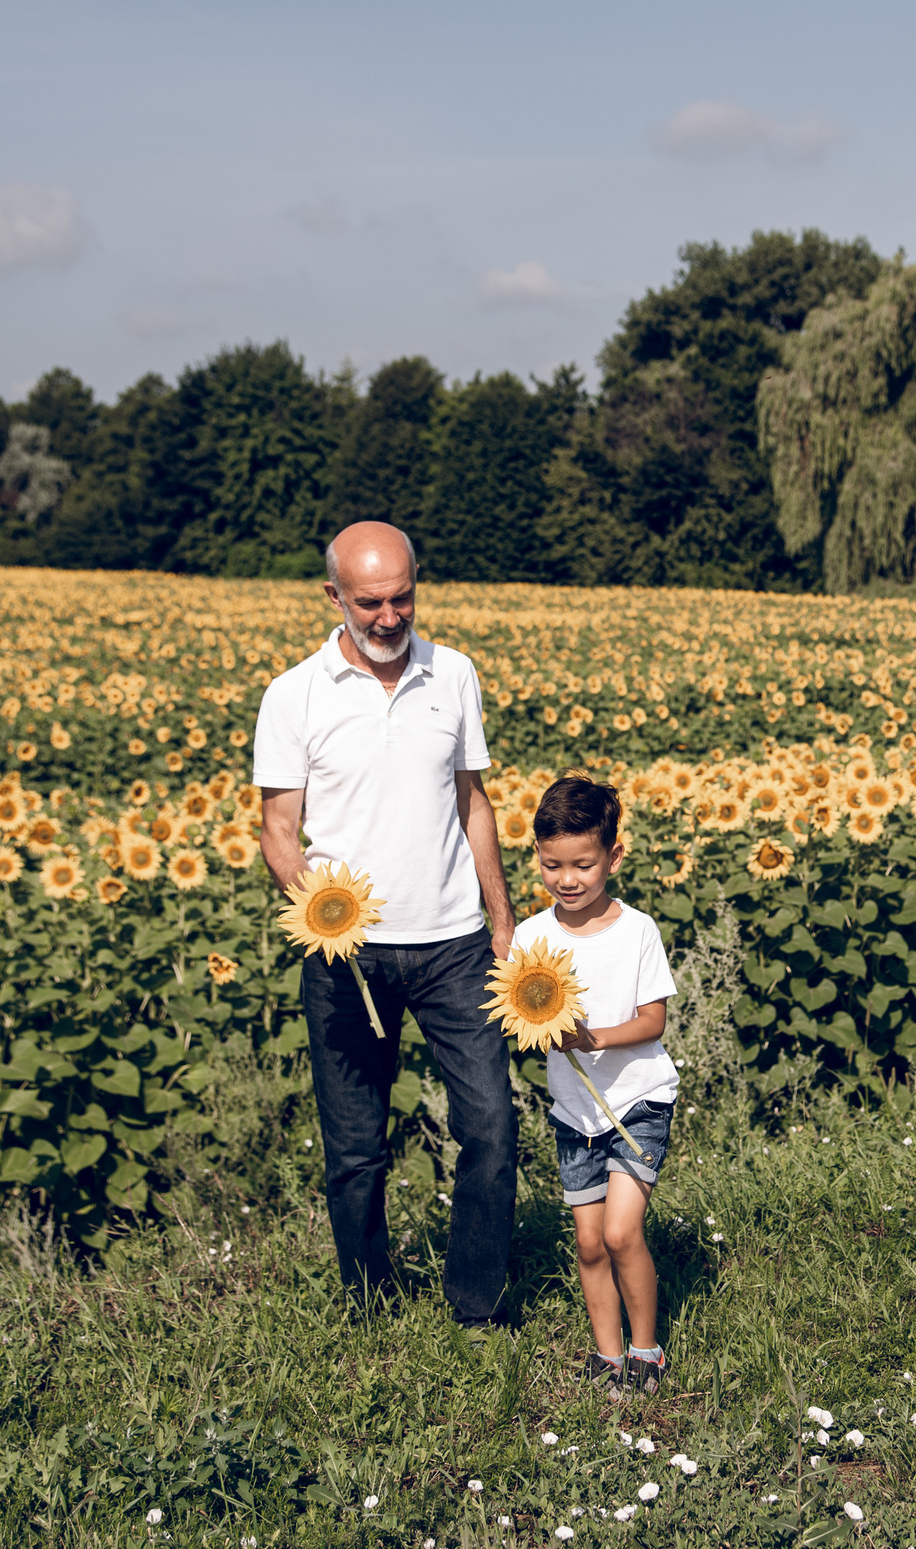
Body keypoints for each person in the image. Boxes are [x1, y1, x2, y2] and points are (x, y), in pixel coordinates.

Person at [254, 521, 519, 1328]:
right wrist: (321, 914)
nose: (389, 615)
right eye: (369, 601)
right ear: (333, 597)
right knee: (357, 1146)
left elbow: (474, 801)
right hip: (347, 954)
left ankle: (480, 1305)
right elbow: (277, 830)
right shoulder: (293, 693)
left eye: (403, 596)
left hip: (452, 942)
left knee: (491, 1125)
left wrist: (502, 922)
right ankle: (369, 1305)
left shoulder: (455, 673)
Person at [511, 774, 677, 1398]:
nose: (567, 878)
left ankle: (646, 1350)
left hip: (638, 1098)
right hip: (575, 1109)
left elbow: (653, 1020)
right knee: (586, 1243)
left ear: (614, 856)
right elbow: (519, 1011)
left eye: (583, 863)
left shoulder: (637, 930)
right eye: (552, 864)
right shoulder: (531, 937)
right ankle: (609, 1360)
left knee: (619, 1232)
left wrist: (592, 1038)